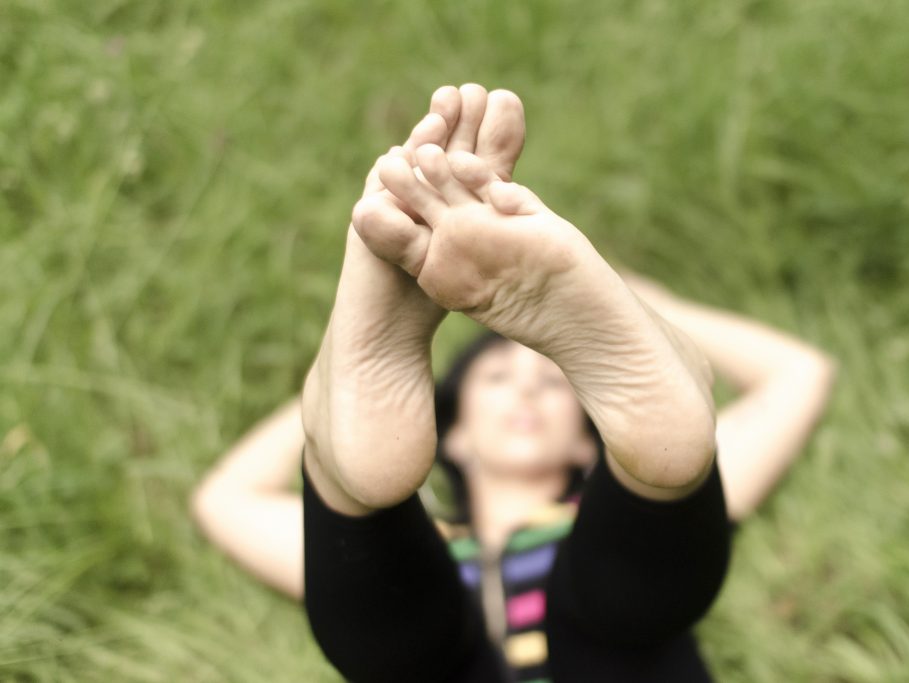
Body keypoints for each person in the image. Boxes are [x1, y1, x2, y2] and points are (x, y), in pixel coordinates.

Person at [191, 84, 838, 682]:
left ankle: (656, 460)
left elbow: (799, 377)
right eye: (497, 376)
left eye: (553, 381)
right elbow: (226, 498)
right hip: (427, 604)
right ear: (457, 434)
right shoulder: (431, 547)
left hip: (617, 597)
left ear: (590, 444)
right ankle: (343, 459)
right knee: (405, 625)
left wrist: (632, 296)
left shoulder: (597, 516)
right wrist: (335, 380)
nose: (527, 389)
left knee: (620, 597)